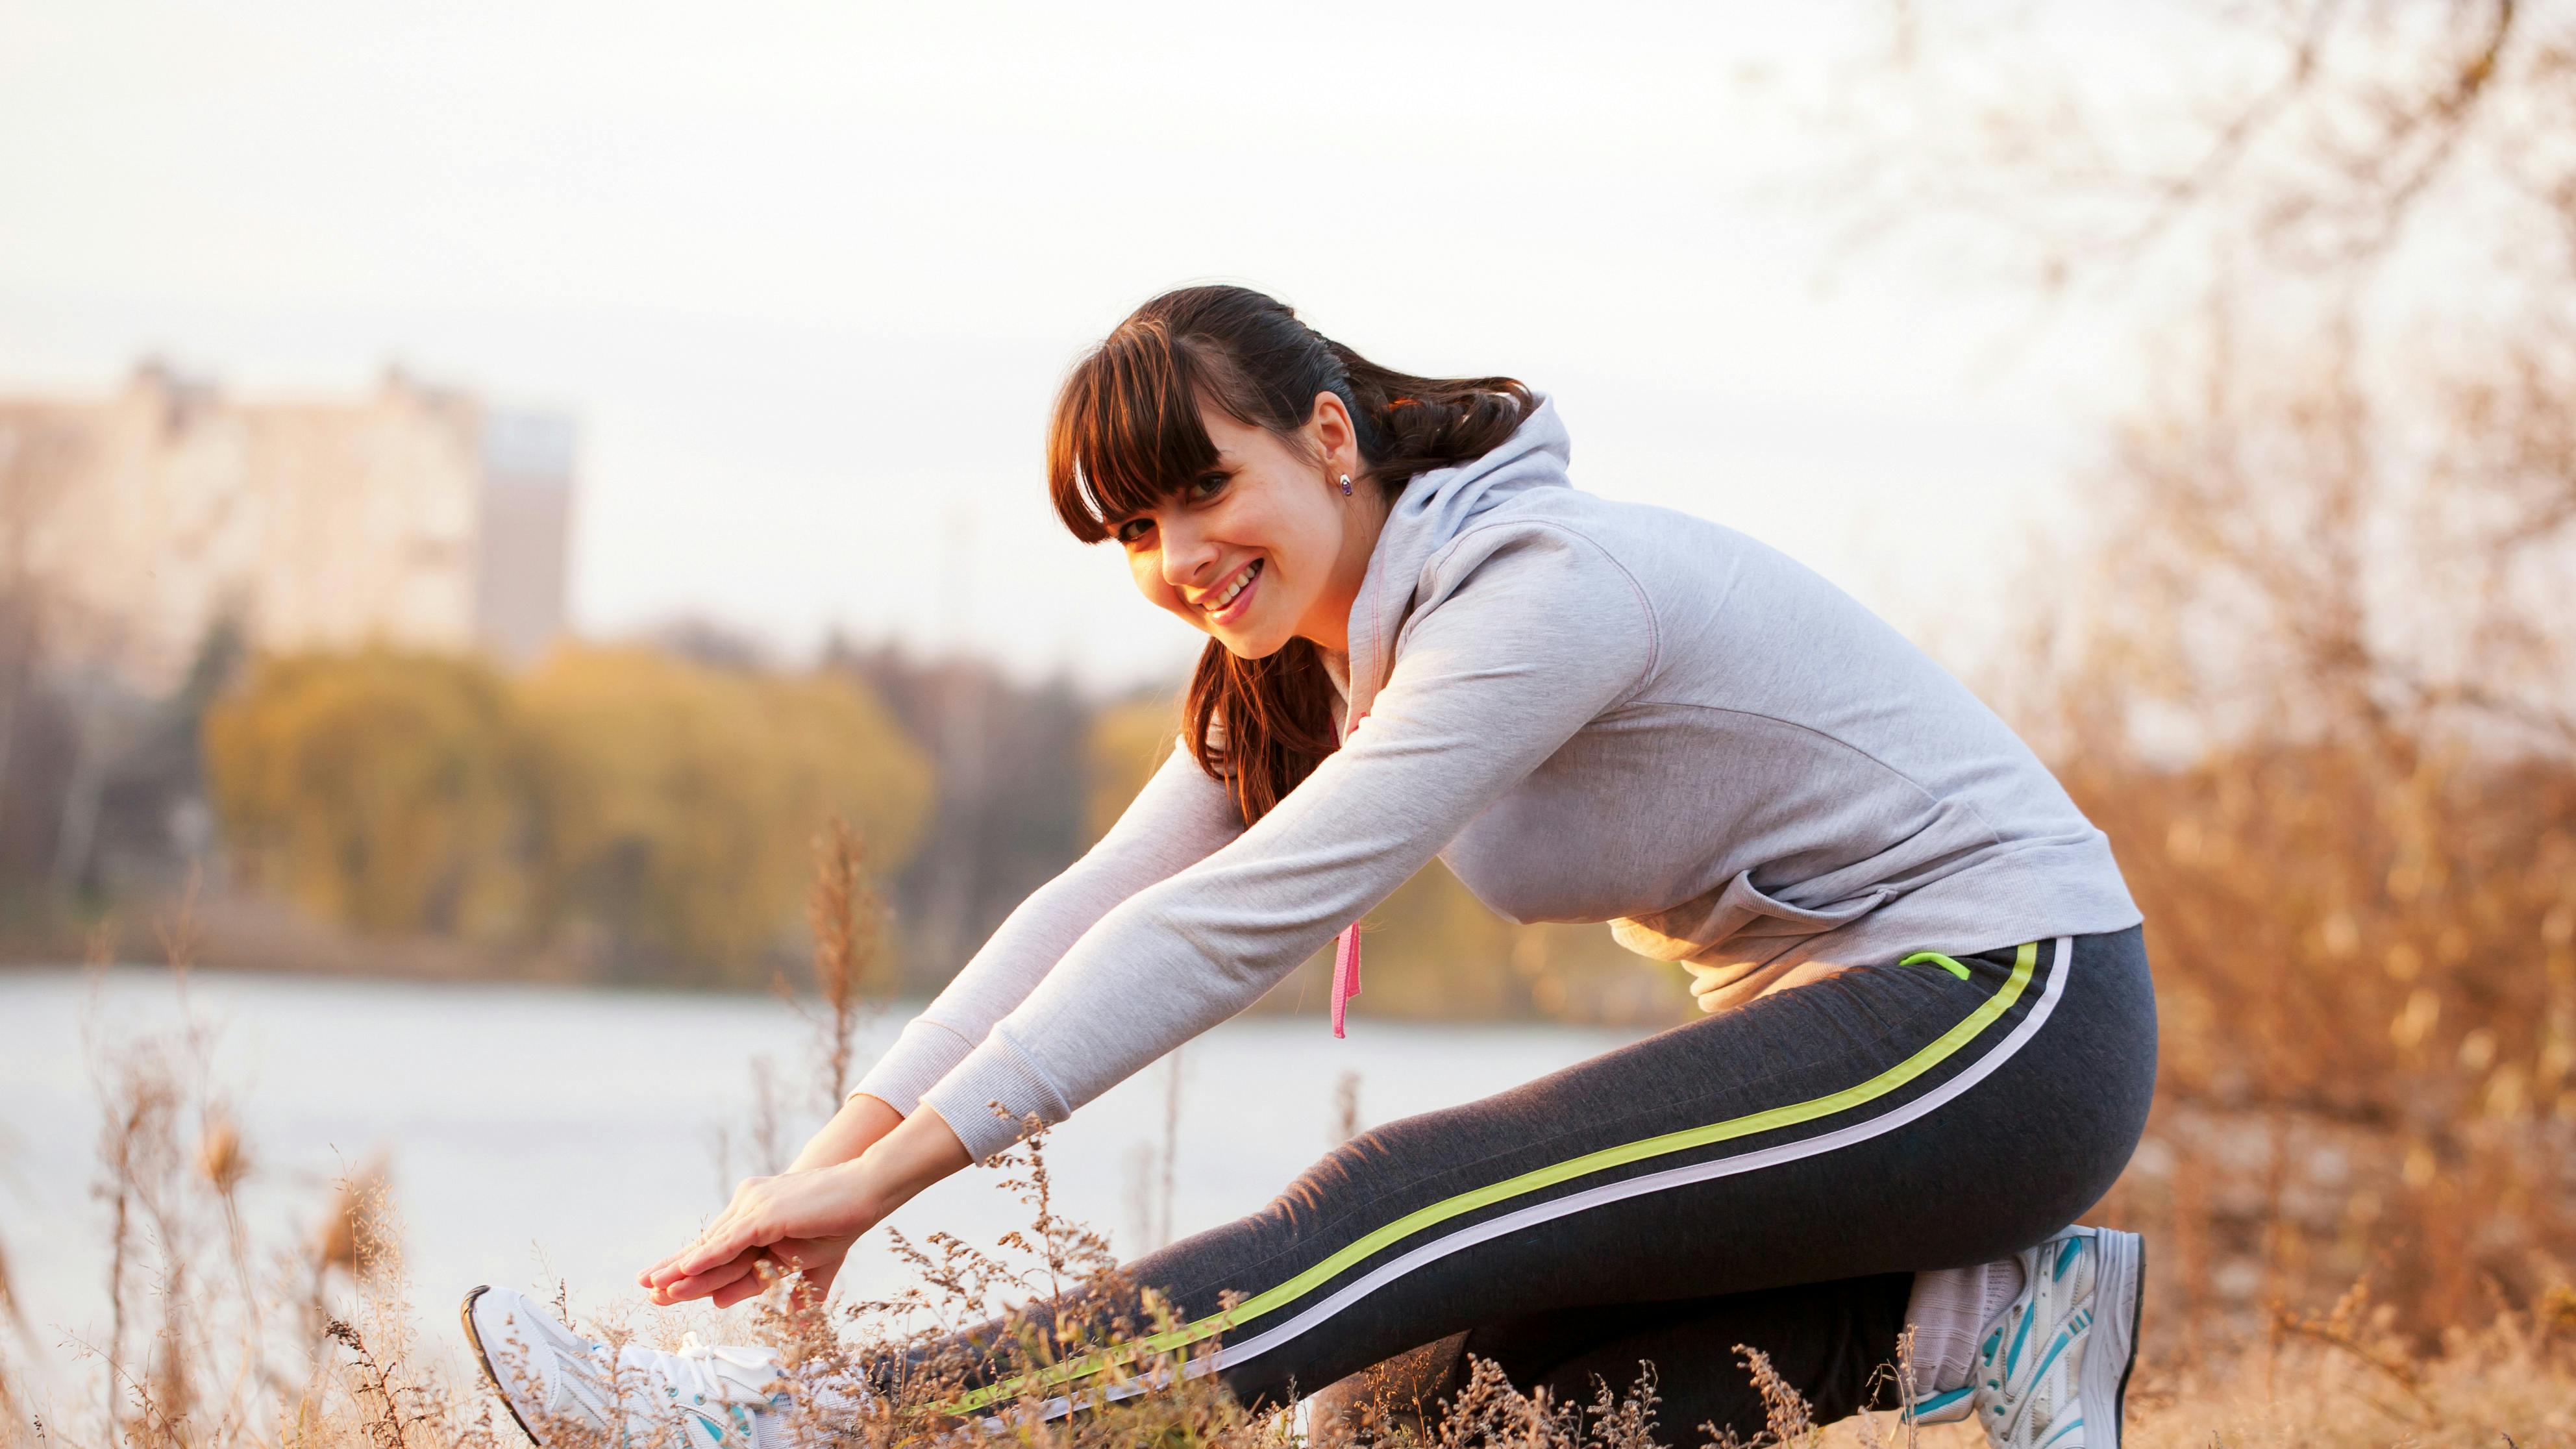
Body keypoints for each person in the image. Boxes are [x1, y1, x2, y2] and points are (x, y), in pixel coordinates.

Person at [462, 285, 2157, 1448]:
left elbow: (1239, 924)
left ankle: (800, 1424)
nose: (1184, 556)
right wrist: (821, 1180)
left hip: (2005, 1008)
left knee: (1394, 1205)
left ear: (1329, 438)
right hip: (1869, 1041)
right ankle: (1963, 1318)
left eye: (1209, 490)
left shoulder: (1537, 594)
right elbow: (1094, 909)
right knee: (1417, 1413)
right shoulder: (1299, 664)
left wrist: (896, 1189)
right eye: (1134, 531)